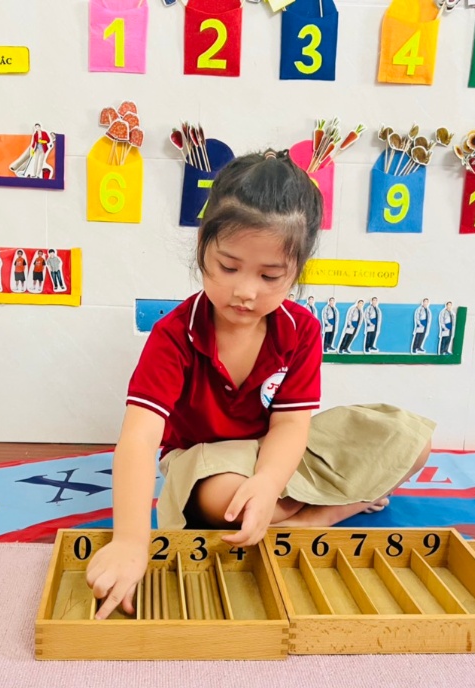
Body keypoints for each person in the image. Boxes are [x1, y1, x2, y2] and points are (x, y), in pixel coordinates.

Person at [85, 150, 435, 620]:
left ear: (296, 272)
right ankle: (324, 512)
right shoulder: (175, 334)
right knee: (232, 500)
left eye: (270, 276)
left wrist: (270, 481)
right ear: (202, 248)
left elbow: (291, 426)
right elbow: (139, 438)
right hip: (207, 463)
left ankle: (302, 512)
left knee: (411, 441)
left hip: (277, 455)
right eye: (228, 268)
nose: (245, 291)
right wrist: (130, 541)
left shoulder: (301, 329)